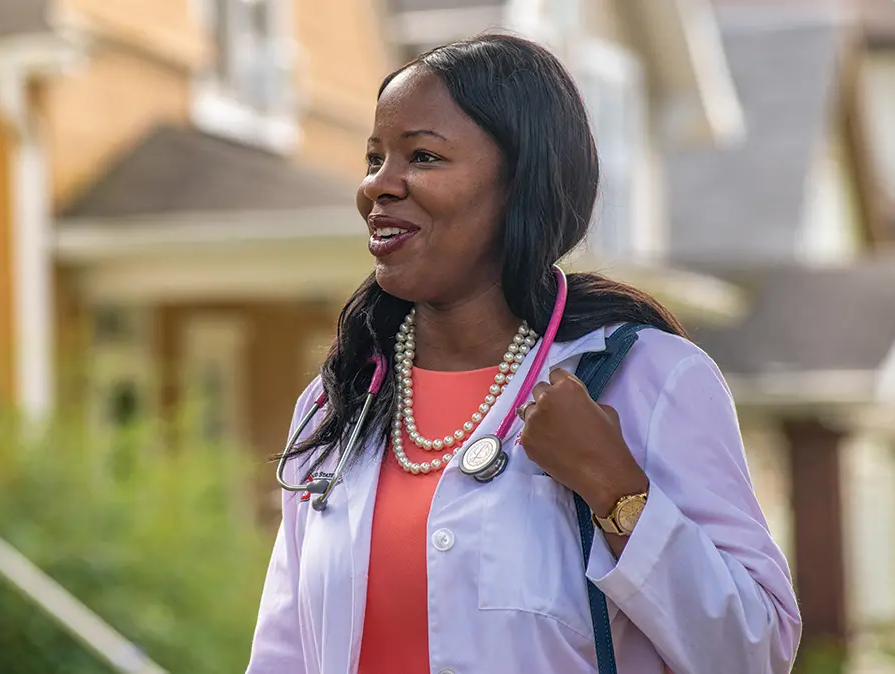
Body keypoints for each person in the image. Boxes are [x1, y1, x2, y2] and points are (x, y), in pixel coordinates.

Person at [247, 33, 801, 674]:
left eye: (423, 157)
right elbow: (282, 655)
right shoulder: (336, 404)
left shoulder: (645, 379)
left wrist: (617, 490)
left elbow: (753, 652)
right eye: (375, 159)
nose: (379, 187)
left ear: (521, 182)